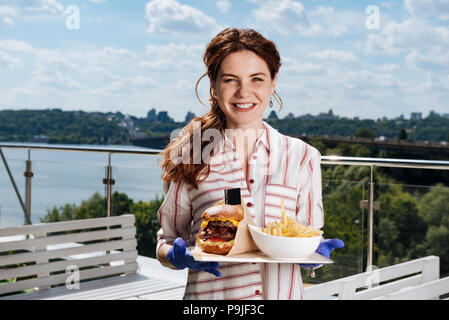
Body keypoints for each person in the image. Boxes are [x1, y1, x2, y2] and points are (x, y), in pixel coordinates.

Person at [156, 27, 344, 300]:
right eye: (231, 80)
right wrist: (175, 255)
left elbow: (308, 237)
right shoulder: (191, 155)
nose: (244, 92)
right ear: (214, 85)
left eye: (256, 79)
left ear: (273, 82)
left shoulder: (303, 157)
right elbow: (166, 242)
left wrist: (313, 253)